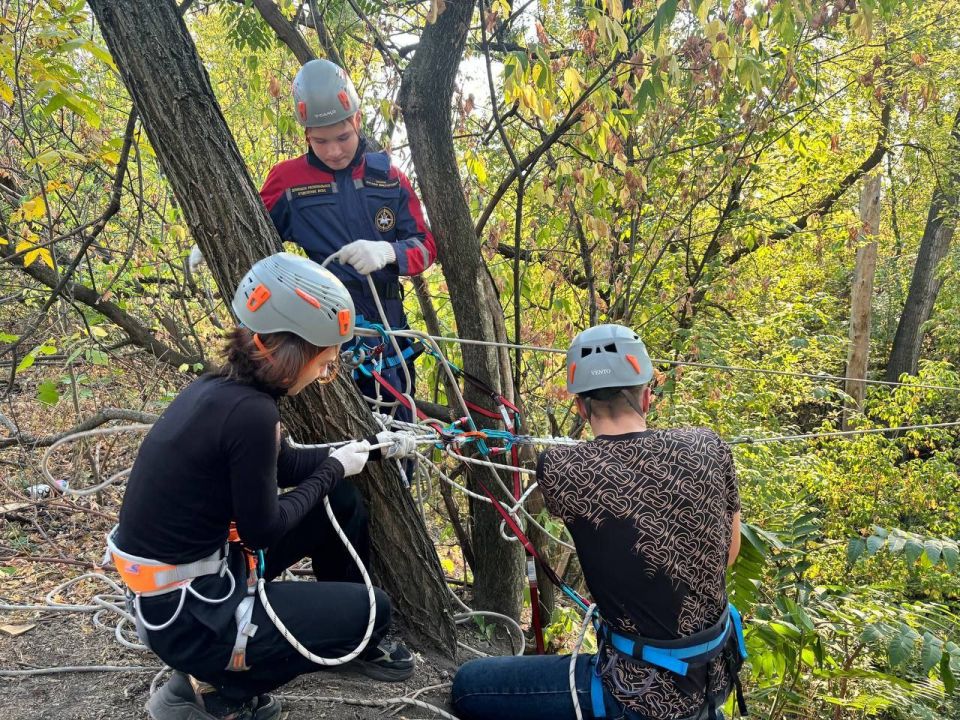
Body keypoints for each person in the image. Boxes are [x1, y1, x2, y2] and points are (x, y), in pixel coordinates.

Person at [109, 253, 416, 720]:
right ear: (294, 350)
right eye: (326, 363)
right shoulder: (253, 413)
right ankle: (218, 697)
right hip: (192, 615)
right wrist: (332, 468)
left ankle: (336, 634)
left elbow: (286, 462)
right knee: (374, 609)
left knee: (338, 497)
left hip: (178, 595)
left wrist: (363, 452)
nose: (323, 376)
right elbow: (262, 532)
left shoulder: (220, 388)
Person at [451, 324, 746, 720]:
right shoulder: (708, 445)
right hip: (711, 678)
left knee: (470, 686)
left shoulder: (562, 468)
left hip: (633, 694)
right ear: (647, 395)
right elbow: (728, 554)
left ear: (580, 406)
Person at [258, 58, 436, 422]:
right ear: (306, 134)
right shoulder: (288, 182)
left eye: (342, 137)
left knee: (397, 431)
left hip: (389, 332)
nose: (334, 151)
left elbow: (426, 246)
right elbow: (252, 226)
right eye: (321, 141)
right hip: (322, 333)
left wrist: (388, 251)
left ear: (356, 121)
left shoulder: (389, 179)